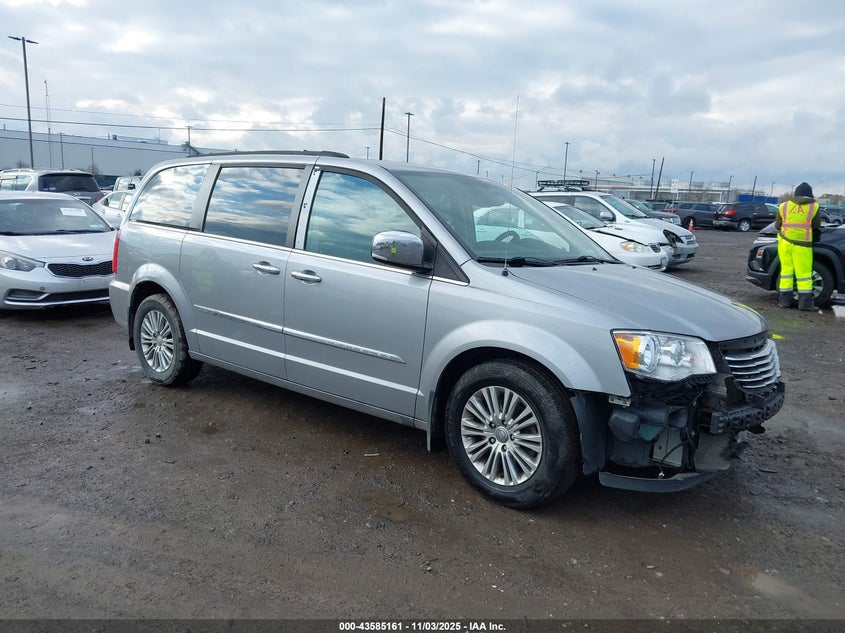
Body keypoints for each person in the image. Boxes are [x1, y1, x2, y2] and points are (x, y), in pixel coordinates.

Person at [775, 182, 821, 310]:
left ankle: (784, 302)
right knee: (804, 275)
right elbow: (816, 225)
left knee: (786, 272)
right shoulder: (814, 207)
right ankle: (805, 304)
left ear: (796, 194)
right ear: (810, 194)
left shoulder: (783, 206)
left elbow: (777, 225)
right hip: (802, 245)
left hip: (784, 243)